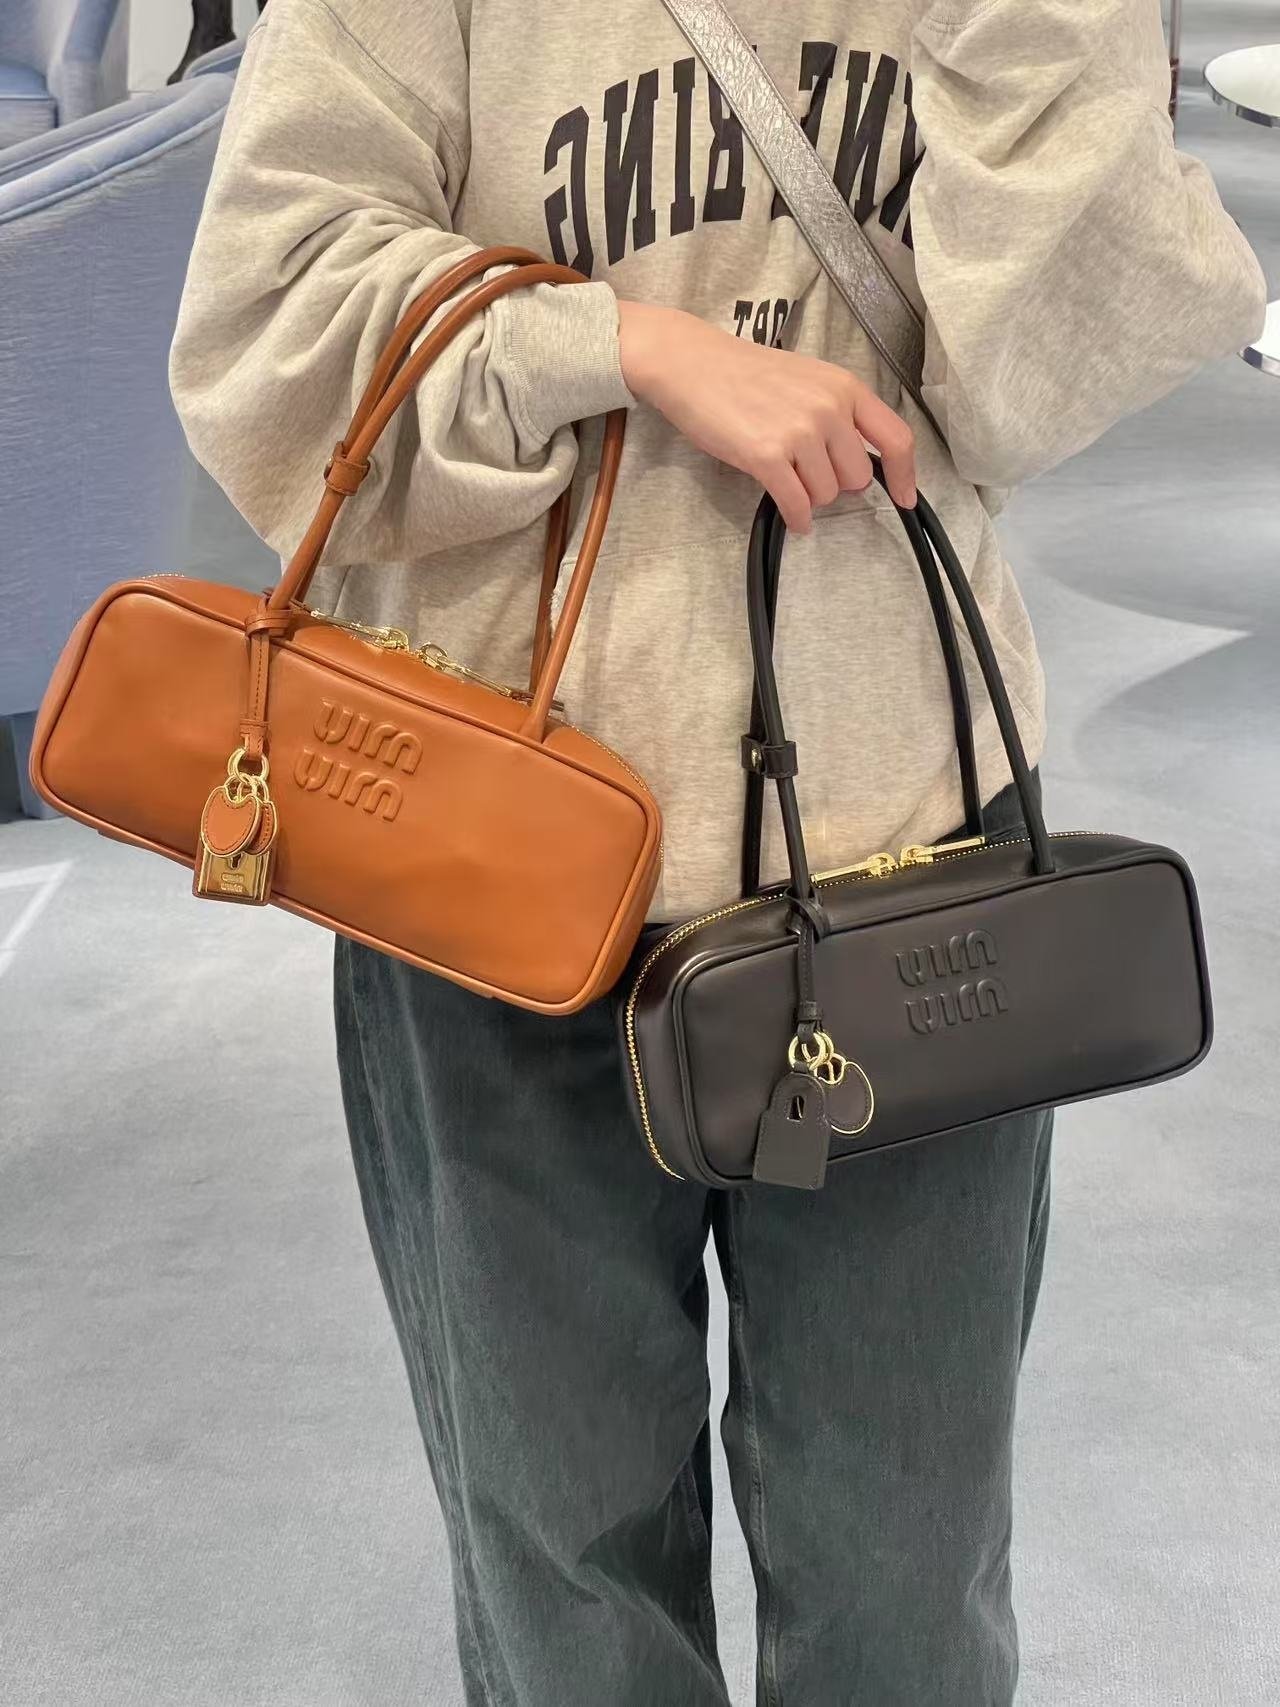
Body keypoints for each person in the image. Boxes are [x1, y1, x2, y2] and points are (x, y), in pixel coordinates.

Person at [169, 2, 1265, 1700]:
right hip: (504, 860)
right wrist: (621, 346)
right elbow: (268, 329)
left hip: (905, 849)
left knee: (906, 1581)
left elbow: (1049, 369)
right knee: (565, 1586)